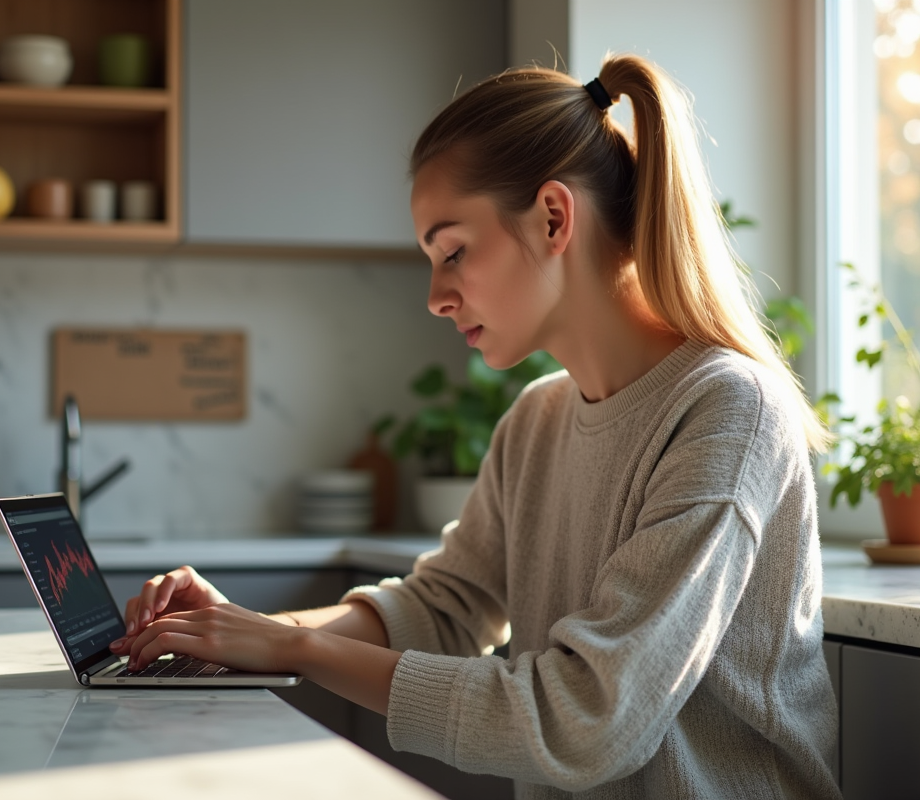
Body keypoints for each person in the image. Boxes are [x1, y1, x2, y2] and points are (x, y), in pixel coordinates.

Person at [109, 53, 841, 799]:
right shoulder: (538, 420)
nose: (435, 297)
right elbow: (445, 610)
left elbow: (586, 720)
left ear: (555, 217)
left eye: (453, 251)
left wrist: (288, 646)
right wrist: (241, 632)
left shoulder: (729, 409)